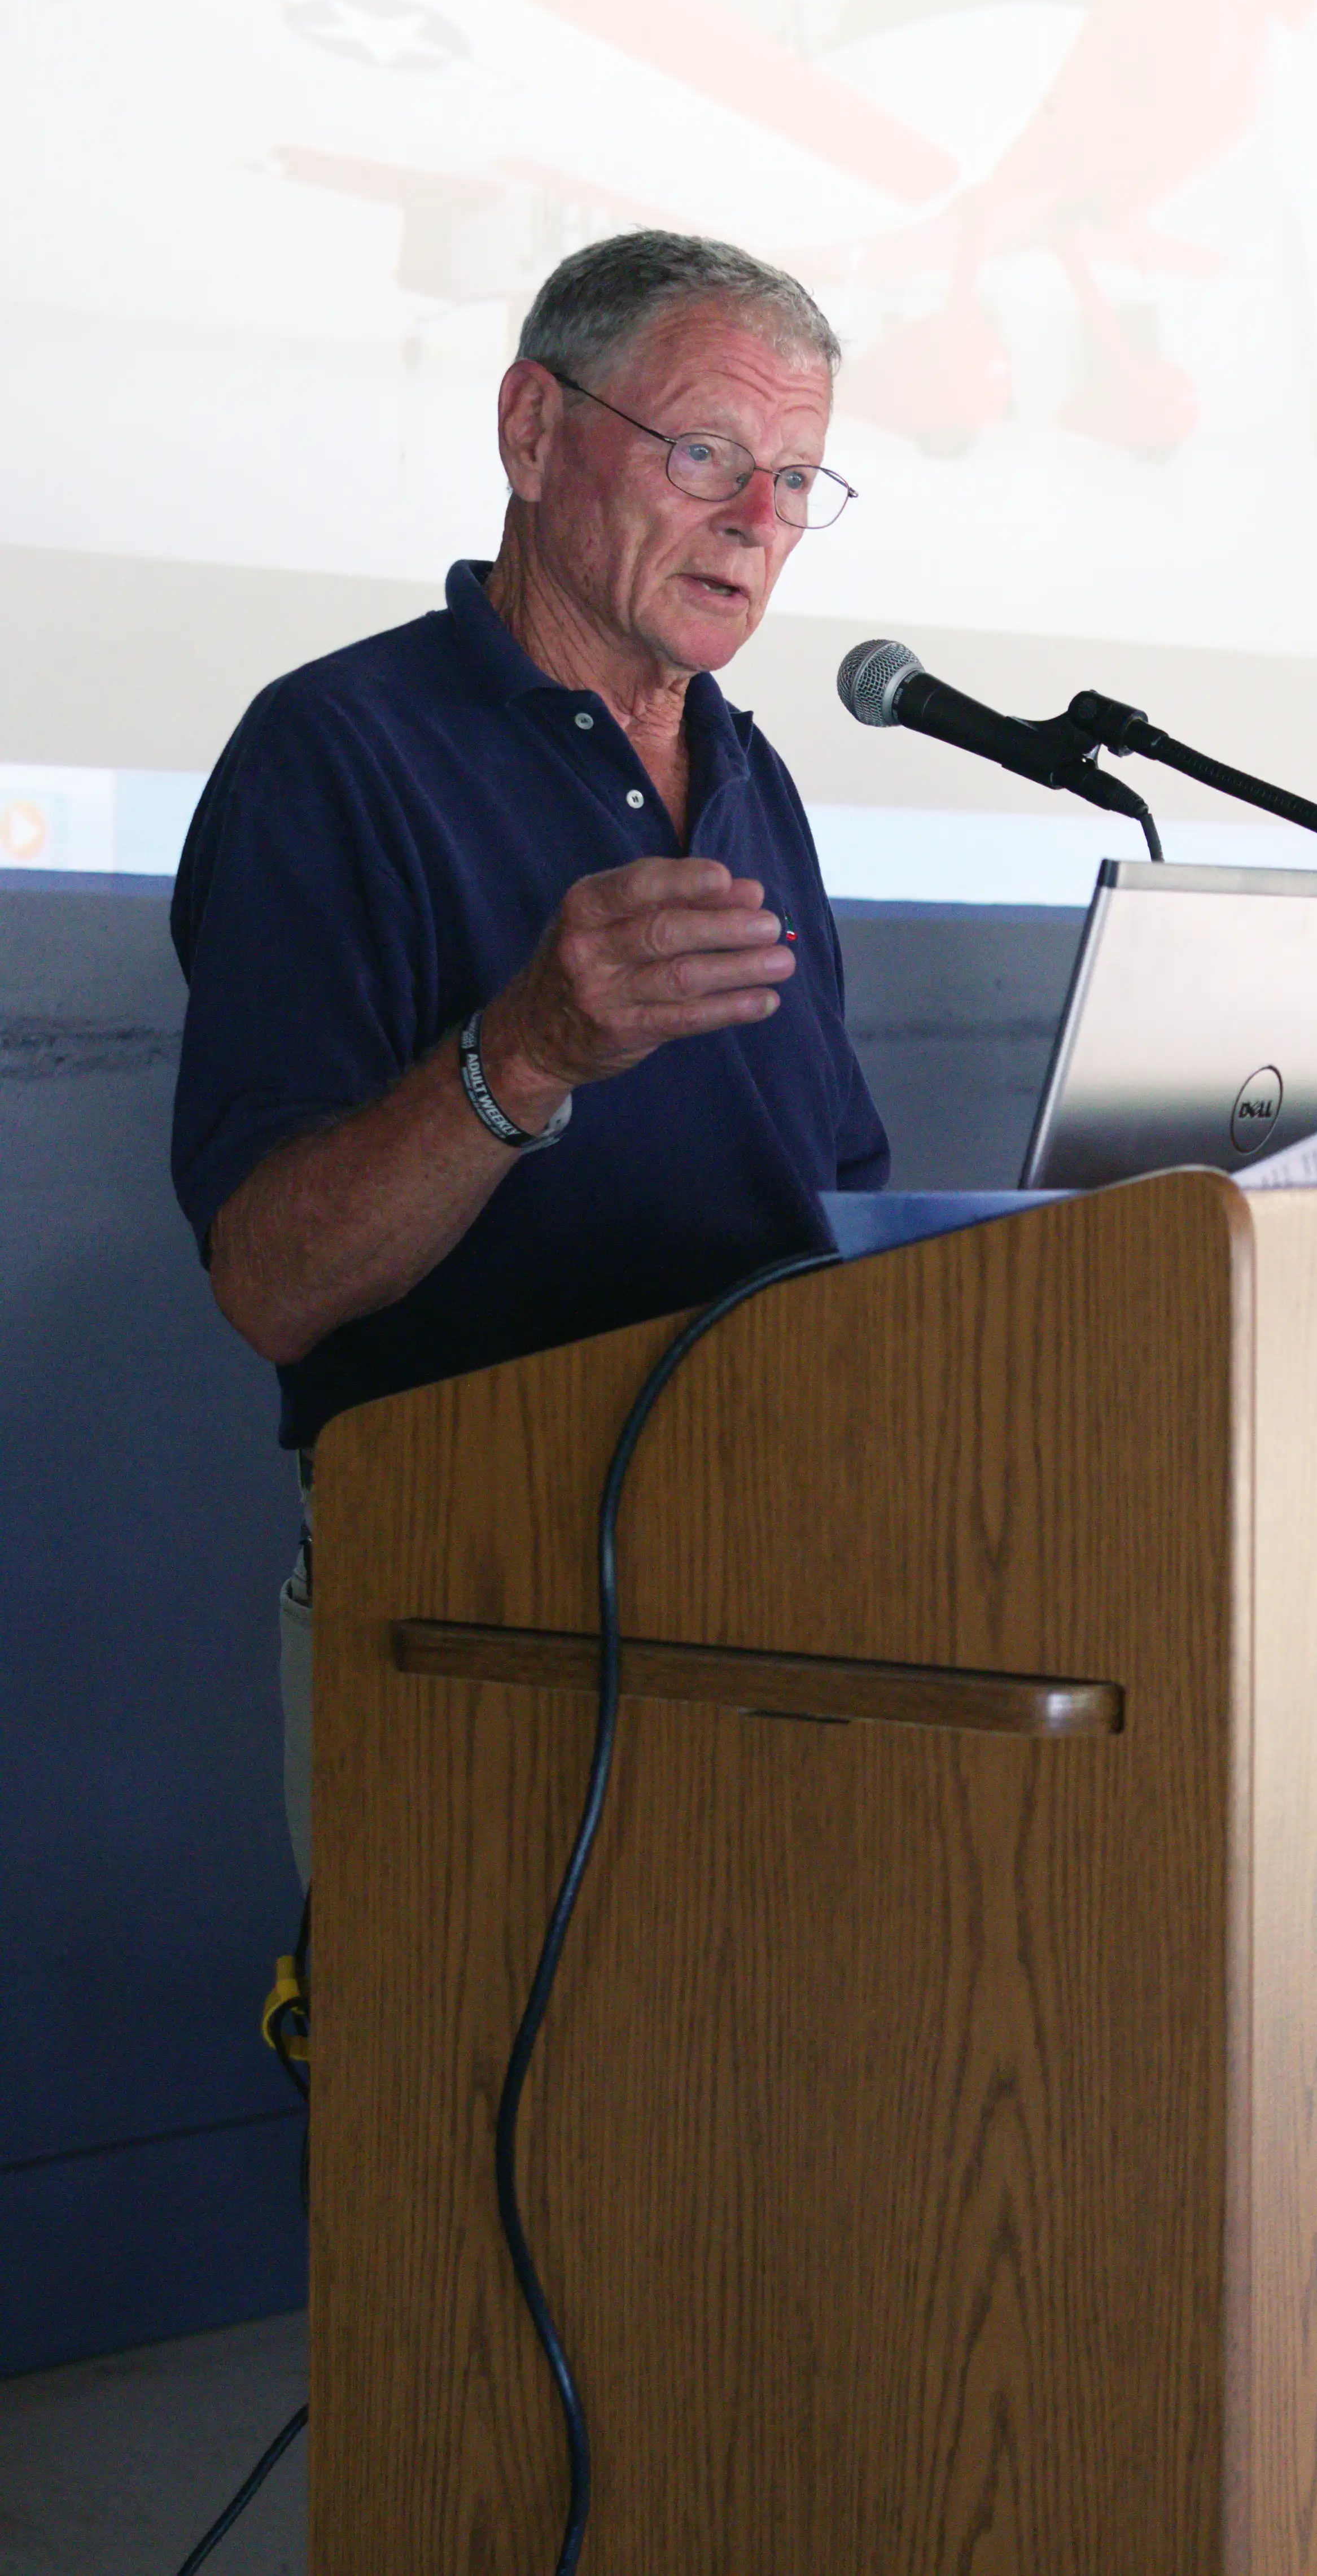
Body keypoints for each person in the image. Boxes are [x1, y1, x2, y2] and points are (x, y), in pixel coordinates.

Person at [170, 232, 890, 1878]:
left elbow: (833, 1201)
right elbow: (271, 1281)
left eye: (794, 478)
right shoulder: (335, 751)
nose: (757, 518)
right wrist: (524, 1053)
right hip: (469, 1614)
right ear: (531, 430)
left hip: (779, 1609)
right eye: (706, 450)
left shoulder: (753, 780)